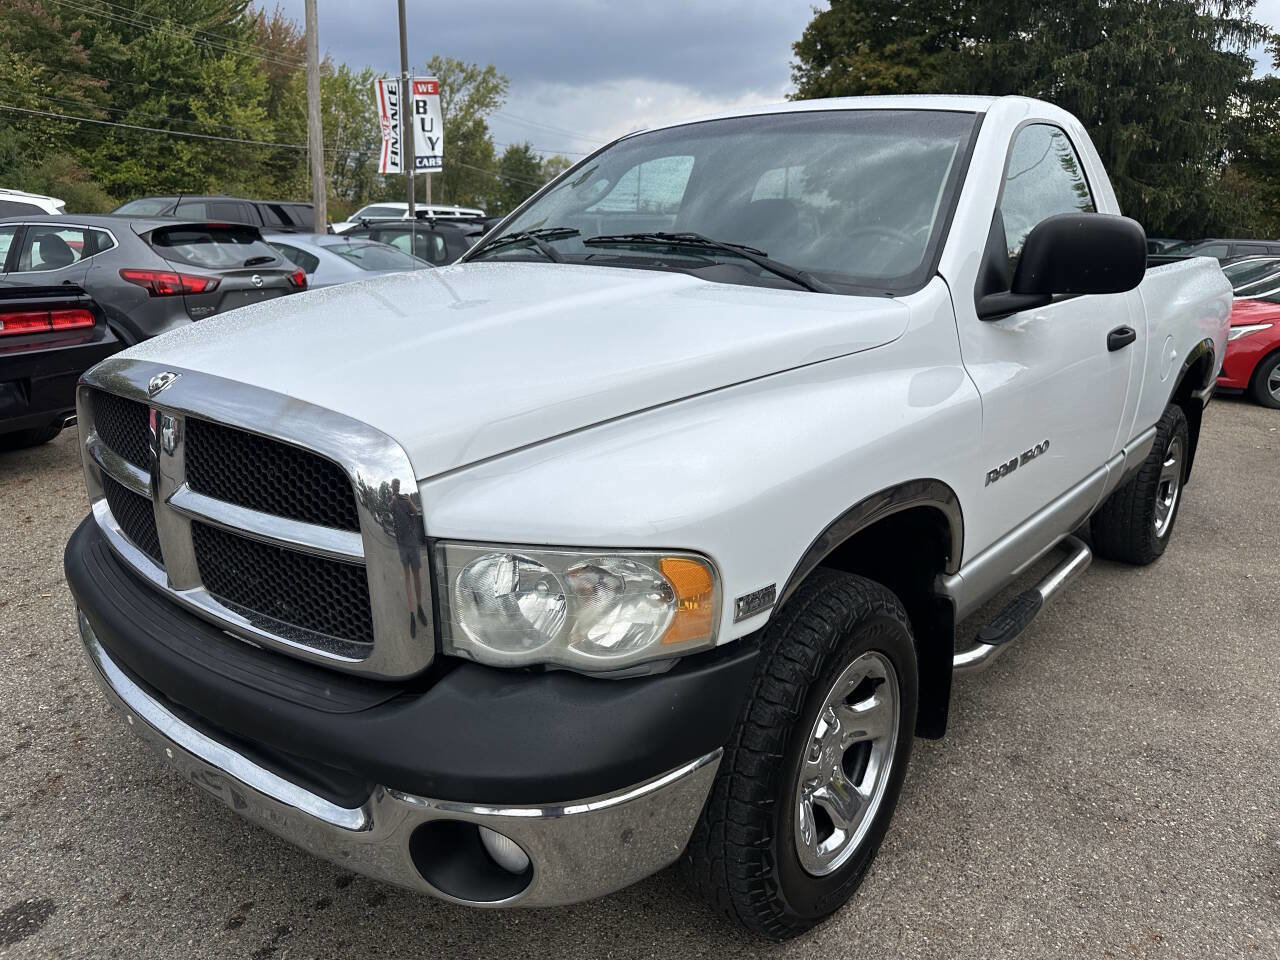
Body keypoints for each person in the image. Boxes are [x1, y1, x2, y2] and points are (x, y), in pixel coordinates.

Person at [389, 478, 429, 637]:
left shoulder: (406, 498)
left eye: (398, 484)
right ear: (392, 487)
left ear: (400, 486)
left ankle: (419, 607)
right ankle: (412, 613)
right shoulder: (390, 500)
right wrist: (392, 501)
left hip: (412, 541)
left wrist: (410, 501)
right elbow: (390, 509)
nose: (397, 486)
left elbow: (416, 512)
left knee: (417, 575)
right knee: (407, 577)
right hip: (401, 543)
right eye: (395, 484)